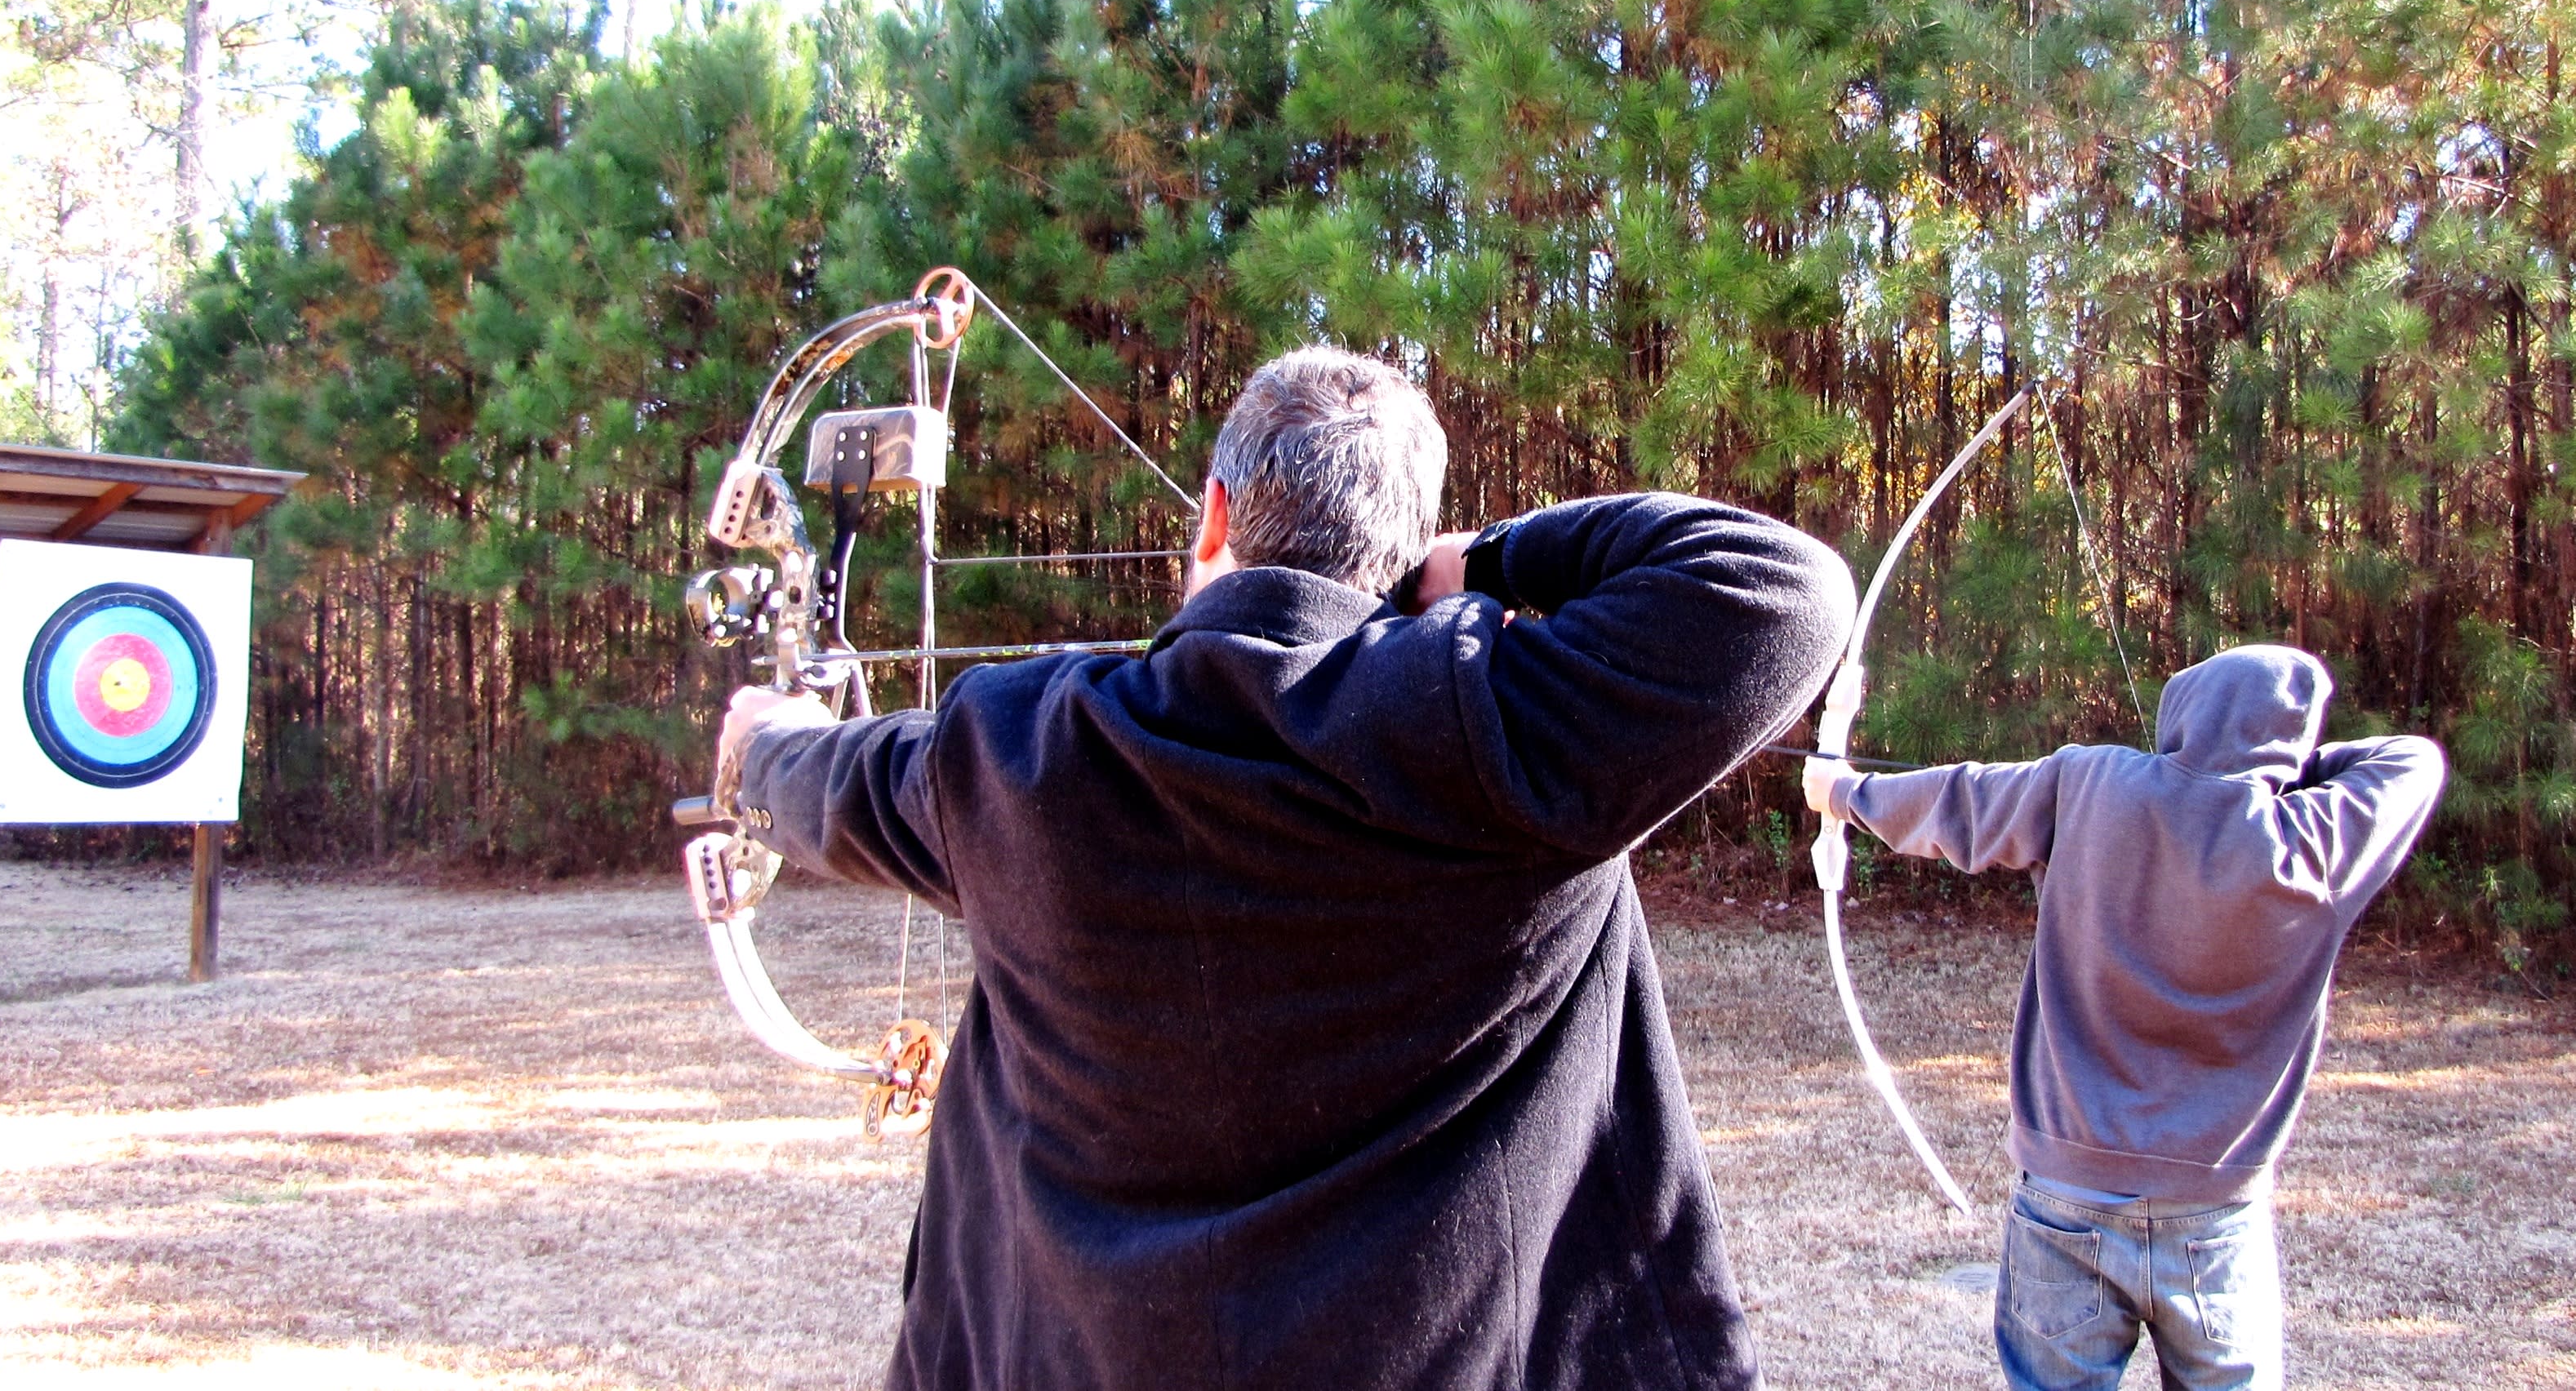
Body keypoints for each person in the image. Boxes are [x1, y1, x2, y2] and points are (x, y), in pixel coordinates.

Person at [717, 347, 1856, 1390]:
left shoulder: (1017, 751)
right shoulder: (1499, 725)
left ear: (1212, 513)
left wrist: (758, 744)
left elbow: (832, 781)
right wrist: (1490, 560)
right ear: (1414, 552)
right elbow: (1786, 589)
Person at [1800, 645, 2446, 1391]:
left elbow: (1962, 800)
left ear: (2181, 715)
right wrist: (2280, 766)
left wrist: (1844, 792)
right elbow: (2413, 760)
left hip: (2065, 1199)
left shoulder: (2096, 783)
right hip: (2215, 1214)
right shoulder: (2315, 838)